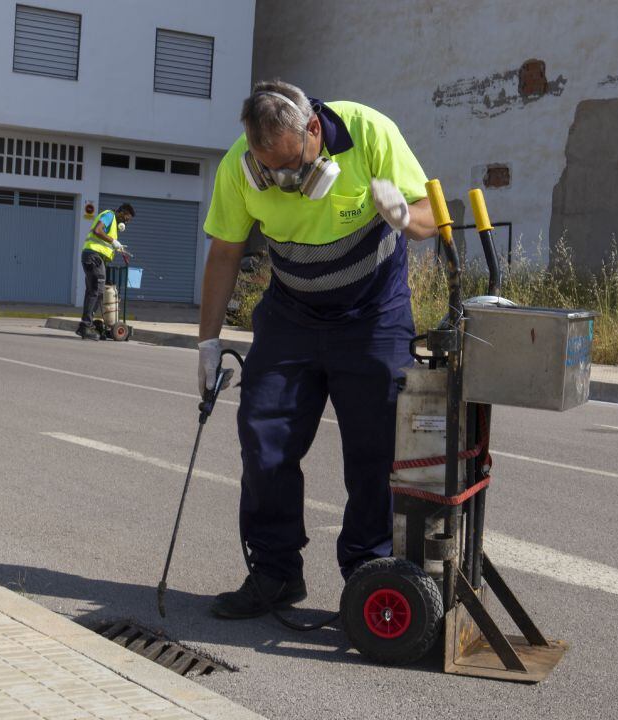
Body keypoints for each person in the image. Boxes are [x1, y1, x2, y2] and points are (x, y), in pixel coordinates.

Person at [197, 80, 437, 618]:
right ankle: (276, 573)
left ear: (313, 130)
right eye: (268, 169)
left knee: (375, 453)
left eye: (290, 166)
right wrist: (208, 342)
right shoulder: (239, 166)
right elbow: (225, 253)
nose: (281, 182)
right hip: (292, 315)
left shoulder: (370, 132)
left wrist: (403, 216)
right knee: (264, 440)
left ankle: (367, 580)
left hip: (373, 315)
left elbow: (429, 216)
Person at [77, 204, 135, 339]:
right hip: (94, 257)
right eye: (126, 218)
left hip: (93, 257)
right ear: (121, 212)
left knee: (92, 292)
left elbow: (104, 241)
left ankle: (85, 326)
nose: (126, 222)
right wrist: (113, 241)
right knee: (97, 292)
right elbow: (98, 230)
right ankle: (86, 326)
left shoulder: (114, 224)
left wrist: (117, 247)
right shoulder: (109, 215)